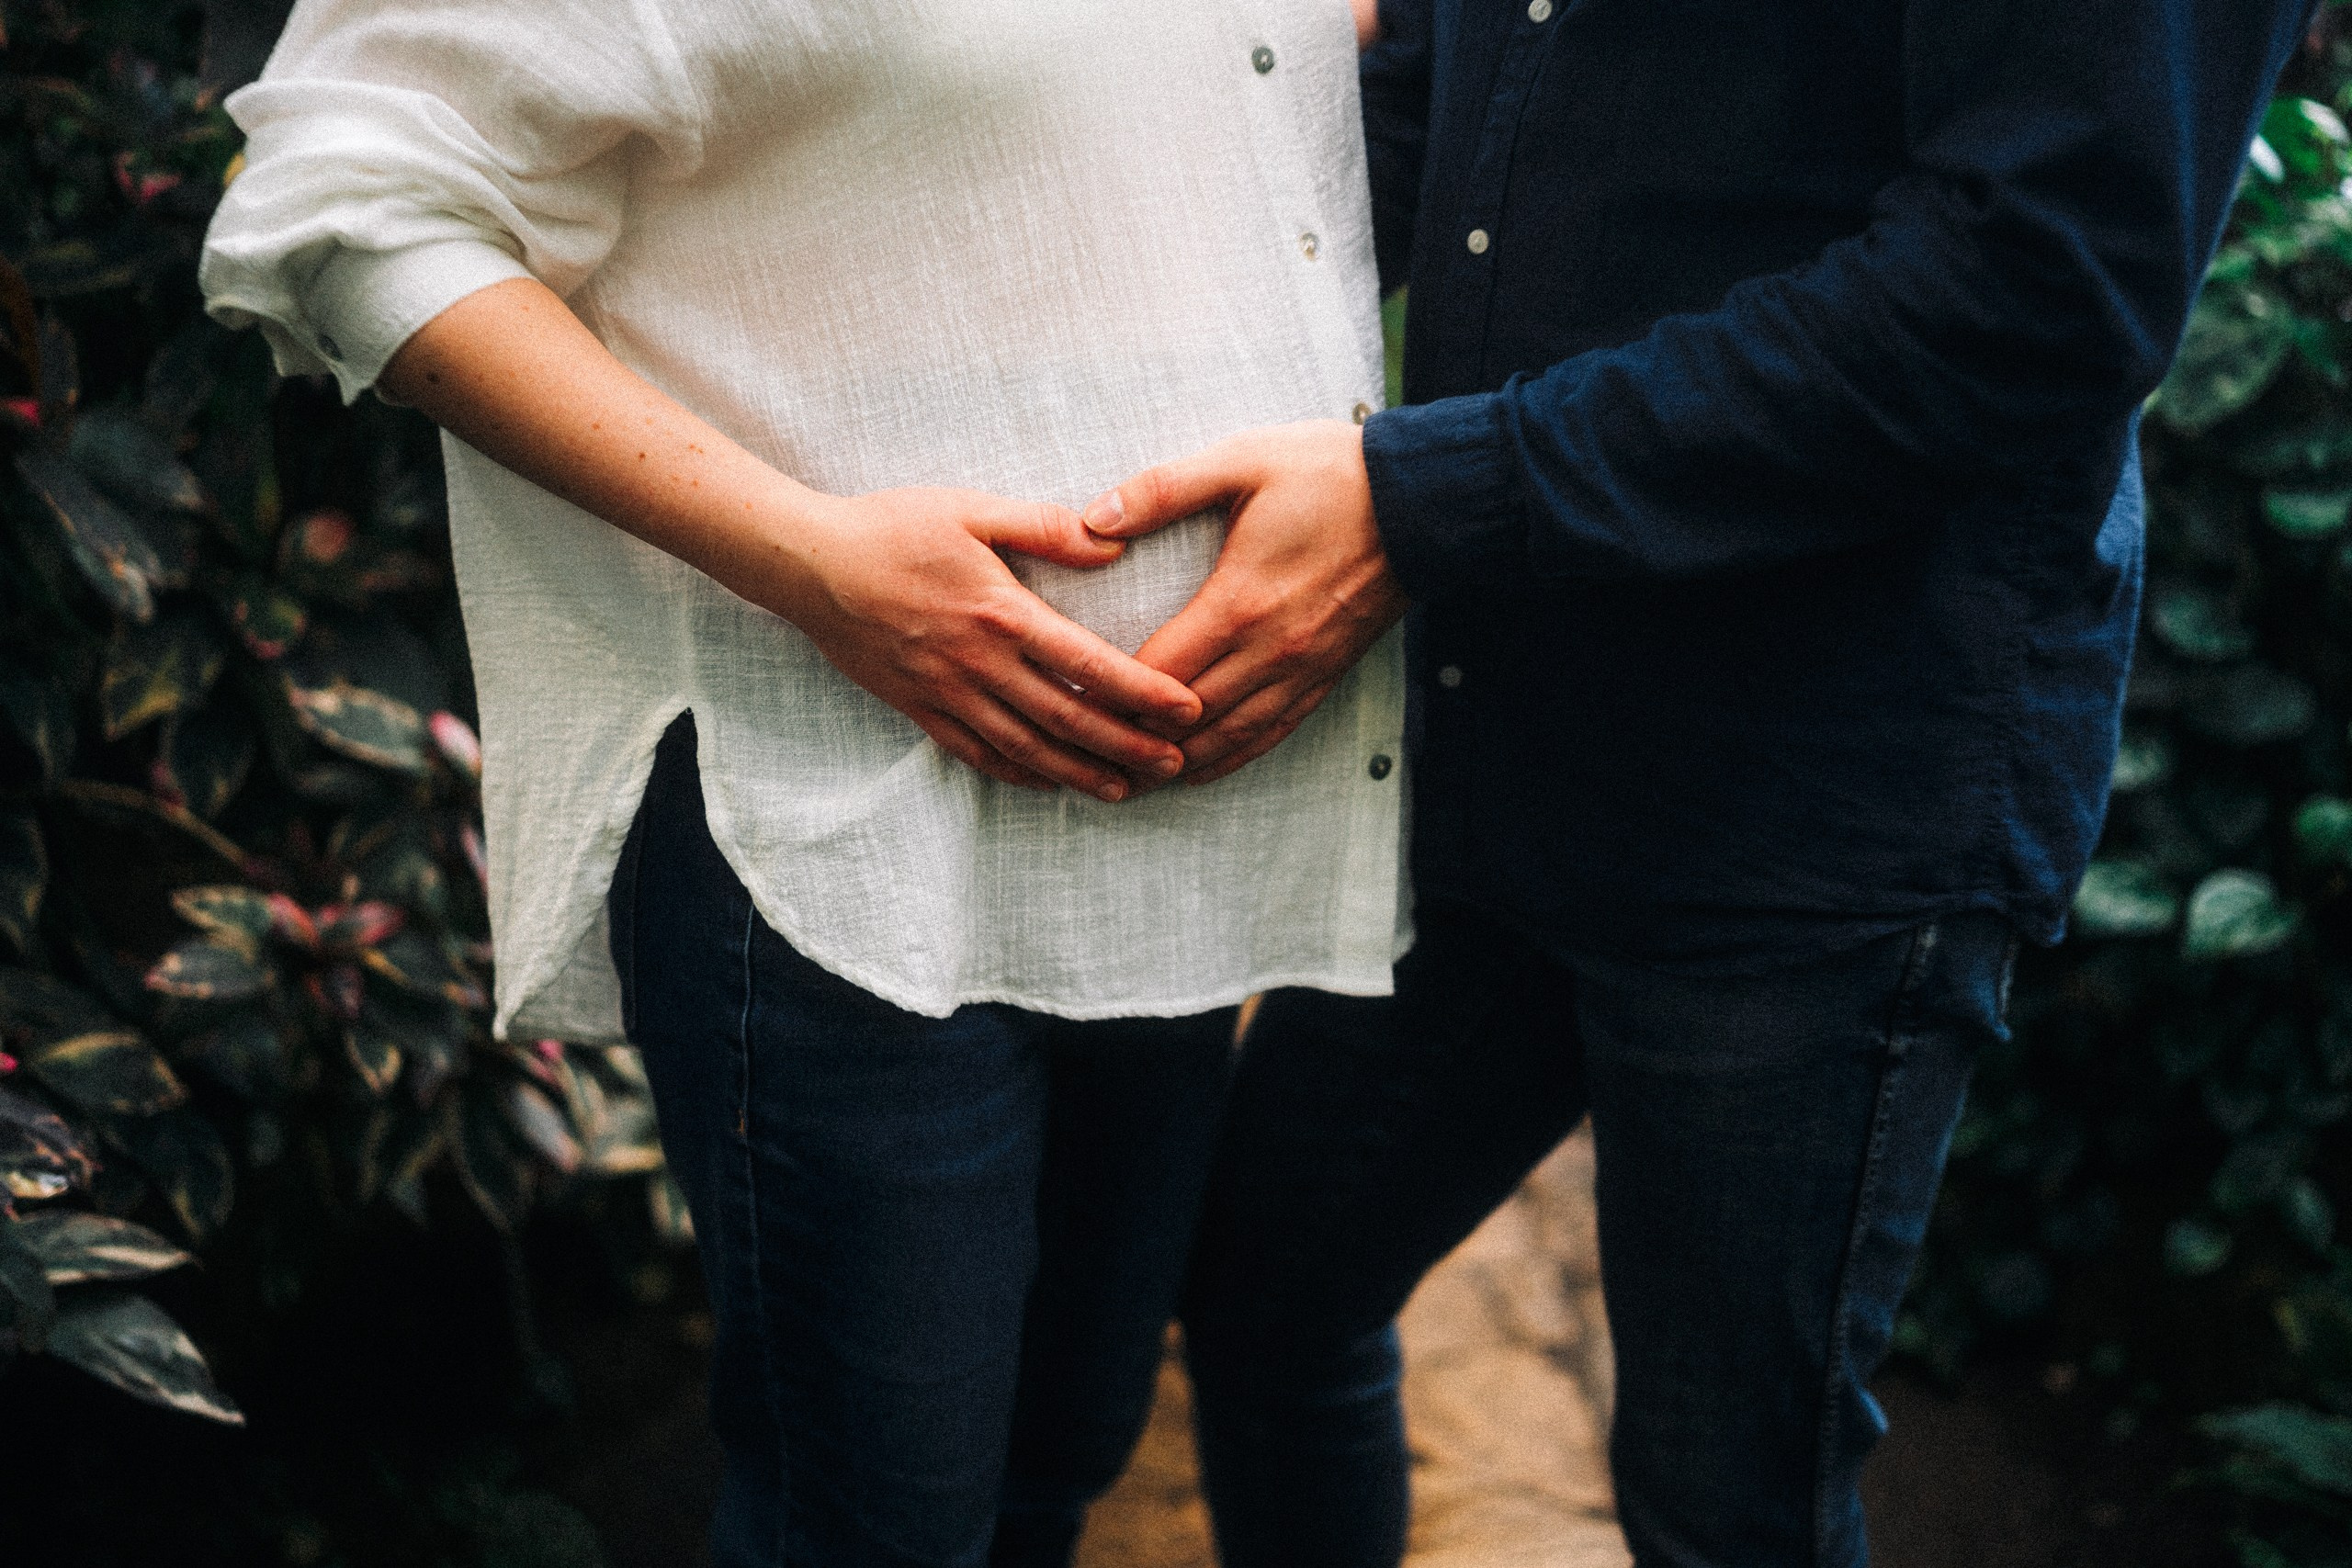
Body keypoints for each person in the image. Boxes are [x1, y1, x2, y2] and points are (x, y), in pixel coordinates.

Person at [1074, 1, 2320, 1563]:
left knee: (1724, 1498)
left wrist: (1420, 507)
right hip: (1513, 728)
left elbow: (2040, 283)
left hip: (1814, 799)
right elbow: (1452, 91)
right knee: (1269, 1295)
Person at [198, 3, 1404, 1564]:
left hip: (1163, 829)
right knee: (877, 1525)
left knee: (1057, 1456)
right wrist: (814, 561)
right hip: (833, 842)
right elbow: (343, 205)